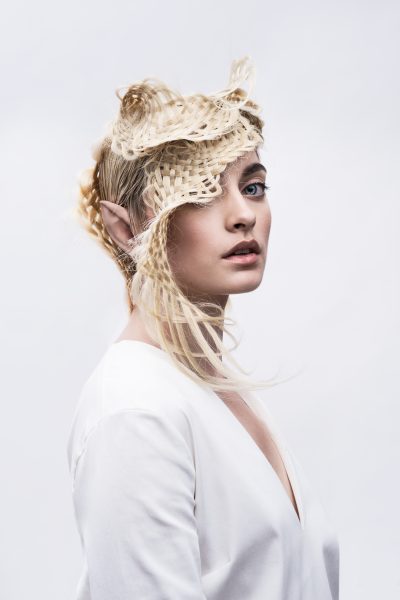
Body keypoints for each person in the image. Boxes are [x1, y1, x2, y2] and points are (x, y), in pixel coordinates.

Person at [67, 56, 340, 599]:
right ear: (125, 227)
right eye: (200, 192)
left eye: (252, 187)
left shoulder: (212, 390)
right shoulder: (136, 408)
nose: (243, 215)